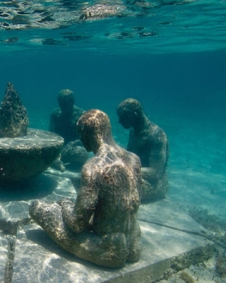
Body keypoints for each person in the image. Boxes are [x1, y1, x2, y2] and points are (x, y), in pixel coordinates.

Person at [30, 109, 142, 268]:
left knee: (37, 208)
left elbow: (77, 224)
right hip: (133, 243)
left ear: (86, 135)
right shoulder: (134, 159)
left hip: (108, 248)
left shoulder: (93, 167)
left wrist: (65, 205)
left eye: (80, 135)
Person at [116, 98, 169, 202]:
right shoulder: (134, 132)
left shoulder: (156, 135)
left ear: (134, 115)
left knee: (120, 188)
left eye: (123, 117)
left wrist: (125, 170)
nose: (120, 121)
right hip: (136, 174)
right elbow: (129, 157)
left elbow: (155, 173)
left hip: (155, 184)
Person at [48, 89, 87, 170]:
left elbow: (85, 138)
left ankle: (59, 161)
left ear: (72, 102)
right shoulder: (55, 114)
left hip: (74, 148)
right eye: (60, 104)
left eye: (65, 104)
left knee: (80, 154)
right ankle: (57, 160)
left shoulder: (82, 115)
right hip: (58, 146)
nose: (62, 107)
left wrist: (74, 144)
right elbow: (50, 134)